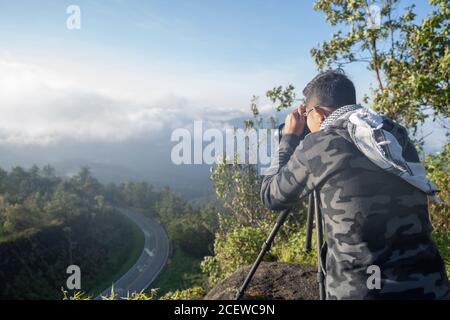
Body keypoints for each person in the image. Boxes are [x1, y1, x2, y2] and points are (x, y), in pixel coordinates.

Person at [261, 70, 450, 300]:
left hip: (363, 291)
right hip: (430, 284)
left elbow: (271, 196)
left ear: (318, 113)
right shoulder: (392, 133)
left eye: (307, 114)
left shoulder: (319, 144)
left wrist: (289, 139)